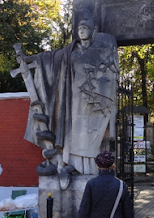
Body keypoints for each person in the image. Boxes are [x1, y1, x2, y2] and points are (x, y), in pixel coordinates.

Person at [16, 18, 119, 177]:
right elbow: (48, 57)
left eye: (85, 28)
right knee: (71, 135)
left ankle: (90, 169)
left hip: (93, 104)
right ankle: (71, 165)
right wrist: (27, 59)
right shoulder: (71, 51)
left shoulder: (99, 51)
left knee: (91, 137)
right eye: (79, 28)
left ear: (92, 31)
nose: (82, 31)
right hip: (72, 102)